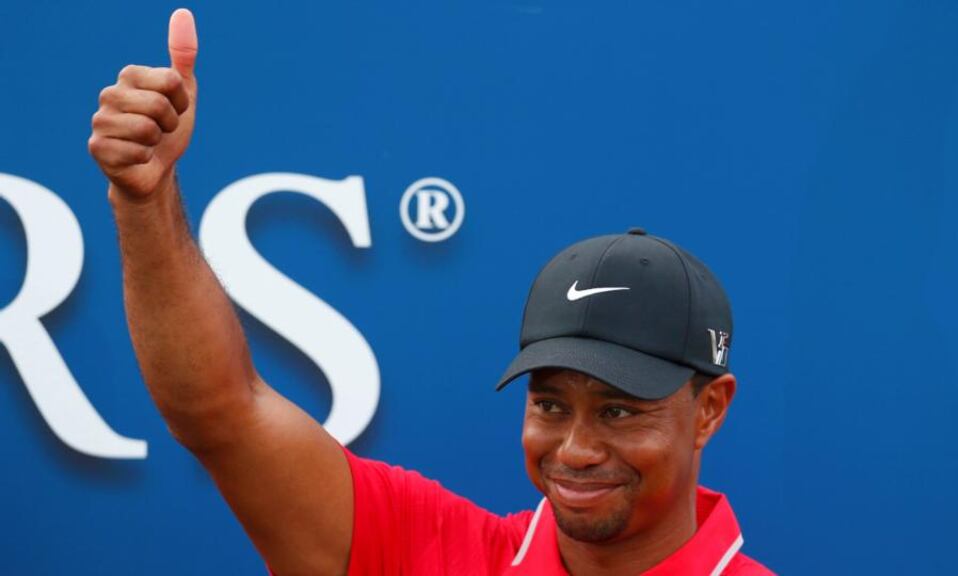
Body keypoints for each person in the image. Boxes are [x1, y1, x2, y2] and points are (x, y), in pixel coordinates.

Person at [88, 9, 774, 576]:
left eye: (620, 412)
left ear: (709, 408)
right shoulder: (433, 552)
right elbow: (222, 412)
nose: (574, 448)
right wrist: (144, 199)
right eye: (550, 403)